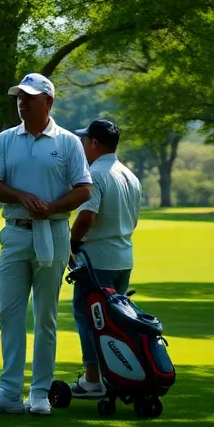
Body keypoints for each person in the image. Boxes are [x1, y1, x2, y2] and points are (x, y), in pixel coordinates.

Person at [0, 73, 93, 416]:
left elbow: (84, 188)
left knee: (46, 316)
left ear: (48, 102)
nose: (22, 102)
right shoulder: (6, 140)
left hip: (52, 232)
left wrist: (52, 207)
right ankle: (9, 391)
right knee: (9, 313)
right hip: (15, 232)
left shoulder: (67, 142)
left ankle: (38, 393)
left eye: (30, 97)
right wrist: (21, 196)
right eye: (19, 97)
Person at [69, 117, 141, 399]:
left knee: (88, 317)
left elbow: (87, 216)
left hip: (97, 259)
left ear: (94, 143)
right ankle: (119, 374)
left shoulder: (95, 175)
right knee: (116, 321)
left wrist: (71, 243)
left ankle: (92, 379)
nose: (83, 145)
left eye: (85, 140)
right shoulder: (129, 175)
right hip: (123, 257)